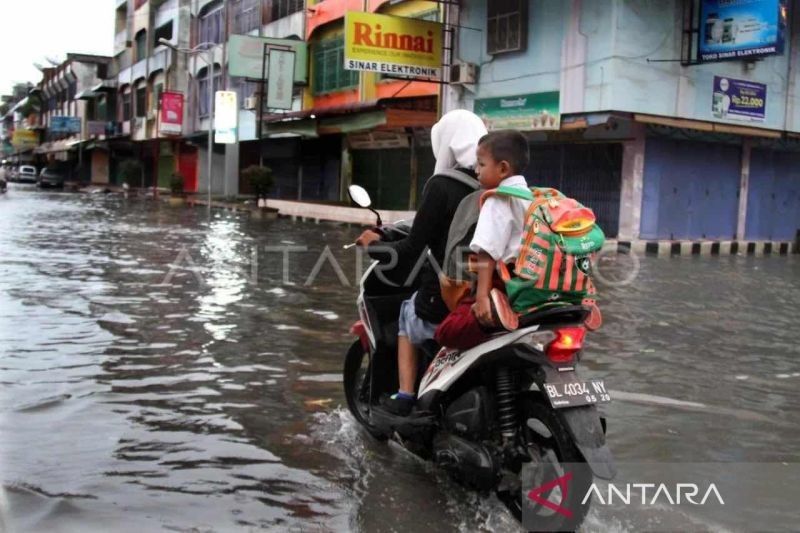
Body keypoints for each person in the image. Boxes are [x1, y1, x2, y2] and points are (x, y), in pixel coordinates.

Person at [356, 110, 488, 416]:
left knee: (408, 313)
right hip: (490, 290)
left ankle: (404, 395)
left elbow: (413, 248)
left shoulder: (441, 184)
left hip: (449, 292)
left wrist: (374, 245)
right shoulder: (494, 181)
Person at [434, 130, 532, 350]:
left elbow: (486, 252)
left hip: (500, 285)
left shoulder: (497, 200)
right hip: (526, 284)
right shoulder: (532, 198)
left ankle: (495, 328)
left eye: (481, 164)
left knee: (446, 332)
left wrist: (482, 299)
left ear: (503, 168)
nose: (476, 171)